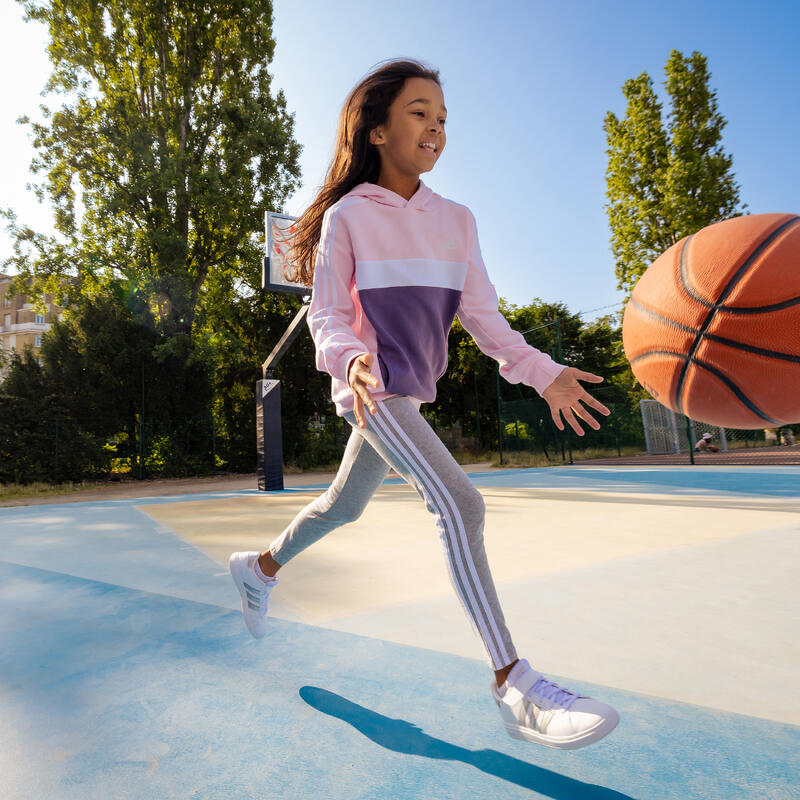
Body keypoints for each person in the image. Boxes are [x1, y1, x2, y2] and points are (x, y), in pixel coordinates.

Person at [228, 59, 619, 750]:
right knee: (461, 504)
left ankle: (257, 568)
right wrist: (349, 359)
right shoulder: (348, 217)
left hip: (410, 394)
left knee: (342, 507)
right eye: (418, 112)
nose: (435, 126)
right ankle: (514, 684)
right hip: (371, 392)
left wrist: (545, 371)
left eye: (442, 117)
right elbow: (325, 316)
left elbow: (487, 321)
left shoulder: (457, 222)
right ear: (376, 130)